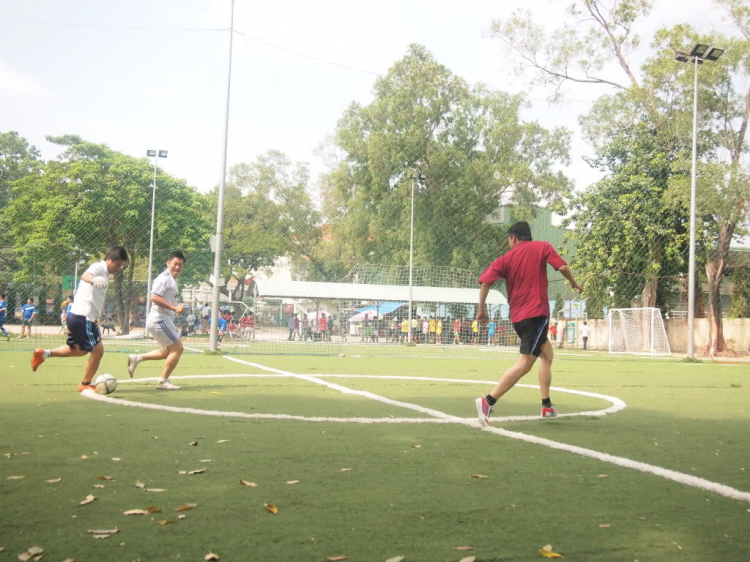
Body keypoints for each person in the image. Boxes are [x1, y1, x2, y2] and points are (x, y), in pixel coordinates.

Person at [475, 221, 582, 425]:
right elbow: (563, 266)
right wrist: (574, 283)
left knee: (547, 354)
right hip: (536, 315)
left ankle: (546, 406)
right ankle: (487, 401)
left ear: (513, 238)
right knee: (525, 365)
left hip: (518, 317)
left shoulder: (505, 258)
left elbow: (485, 283)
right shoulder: (543, 247)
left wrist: (481, 310)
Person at [31, 246, 129, 391]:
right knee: (98, 350)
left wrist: (96, 316)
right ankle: (86, 384)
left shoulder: (106, 273)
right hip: (83, 317)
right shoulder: (98, 267)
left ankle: (44, 354)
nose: (119, 268)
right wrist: (93, 279)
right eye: (118, 264)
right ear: (109, 259)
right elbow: (85, 276)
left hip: (79, 317)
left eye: (121, 265)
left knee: (78, 349)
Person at [126, 251, 187, 390]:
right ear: (168, 263)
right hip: (160, 319)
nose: (177, 267)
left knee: (167, 351)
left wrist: (176, 308)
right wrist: (174, 308)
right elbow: (154, 297)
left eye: (180, 265)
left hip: (161, 319)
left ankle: (137, 358)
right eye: (175, 264)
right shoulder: (164, 278)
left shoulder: (171, 279)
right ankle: (163, 381)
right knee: (178, 349)